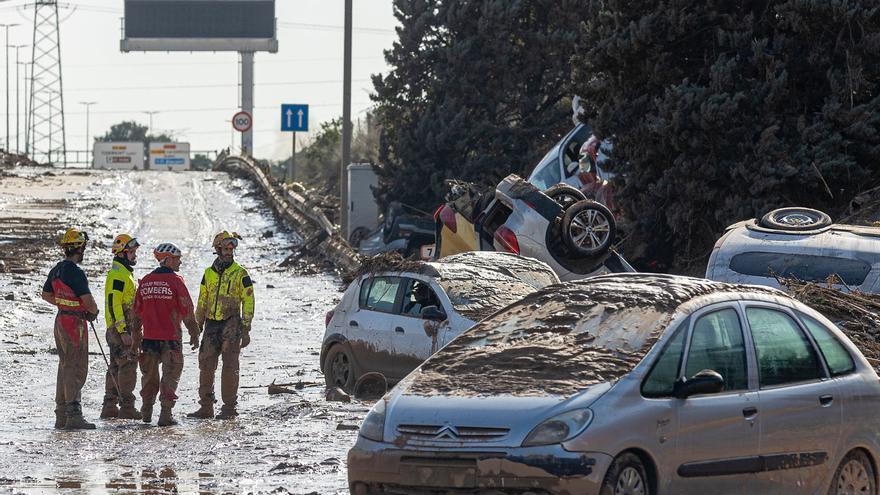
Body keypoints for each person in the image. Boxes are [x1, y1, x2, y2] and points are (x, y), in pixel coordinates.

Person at [131, 243, 199, 426]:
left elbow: (136, 314)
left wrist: (136, 339)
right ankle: (165, 414)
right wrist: (194, 332)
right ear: (167, 260)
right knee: (170, 375)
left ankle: (146, 412)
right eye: (177, 258)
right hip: (171, 339)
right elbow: (187, 310)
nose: (180, 262)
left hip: (148, 340)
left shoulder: (145, 281)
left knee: (149, 376)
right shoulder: (176, 281)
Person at [188, 231, 254, 420]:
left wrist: (246, 327)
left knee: (230, 366)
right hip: (211, 324)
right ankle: (206, 407)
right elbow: (202, 301)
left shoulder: (241, 273)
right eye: (225, 249)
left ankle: (229, 408)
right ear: (217, 249)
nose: (228, 252)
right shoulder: (208, 273)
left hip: (232, 323)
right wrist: (196, 327)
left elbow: (248, 301)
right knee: (206, 364)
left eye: (231, 249)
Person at [41, 228, 100, 430]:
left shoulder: (57, 269)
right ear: (80, 248)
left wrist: (64, 304)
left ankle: (61, 415)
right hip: (74, 324)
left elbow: (46, 294)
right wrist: (92, 311)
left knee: (65, 366)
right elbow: (88, 302)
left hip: (60, 321)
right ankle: (74, 415)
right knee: (75, 368)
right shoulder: (76, 272)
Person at [100, 234, 142, 420]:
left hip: (118, 329)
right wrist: (123, 330)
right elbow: (113, 303)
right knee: (127, 366)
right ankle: (127, 407)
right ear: (122, 253)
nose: (134, 256)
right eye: (131, 252)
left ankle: (109, 407)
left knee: (115, 367)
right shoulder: (119, 275)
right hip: (120, 330)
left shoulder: (123, 273)